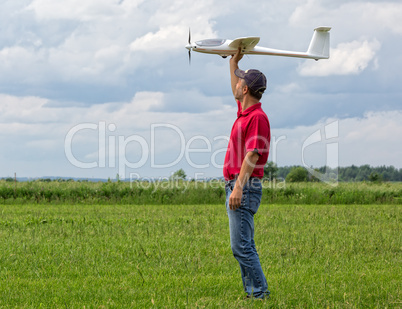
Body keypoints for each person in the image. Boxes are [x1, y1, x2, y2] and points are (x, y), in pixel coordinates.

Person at [224, 47, 271, 299]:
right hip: (238, 184)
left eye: (240, 79)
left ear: (245, 89)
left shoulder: (257, 118)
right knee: (242, 245)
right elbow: (235, 91)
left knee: (241, 246)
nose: (237, 82)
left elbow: (252, 155)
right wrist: (233, 62)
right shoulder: (245, 112)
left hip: (245, 185)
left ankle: (259, 294)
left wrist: (238, 187)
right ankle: (253, 292)